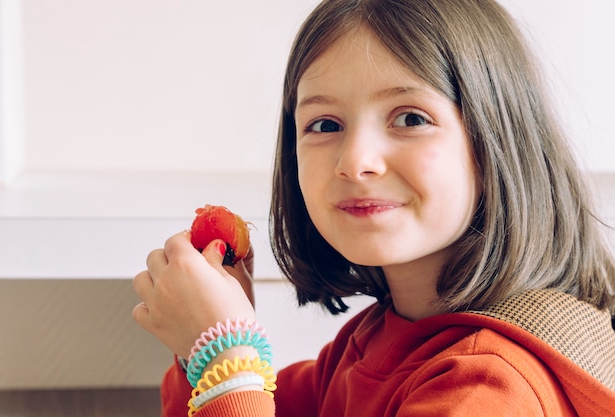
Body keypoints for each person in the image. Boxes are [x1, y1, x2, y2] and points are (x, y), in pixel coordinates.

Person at [132, 0, 615, 415]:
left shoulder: (486, 385)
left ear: (497, 145)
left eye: (409, 118)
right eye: (324, 125)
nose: (355, 161)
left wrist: (224, 355)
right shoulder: (381, 337)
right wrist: (203, 341)